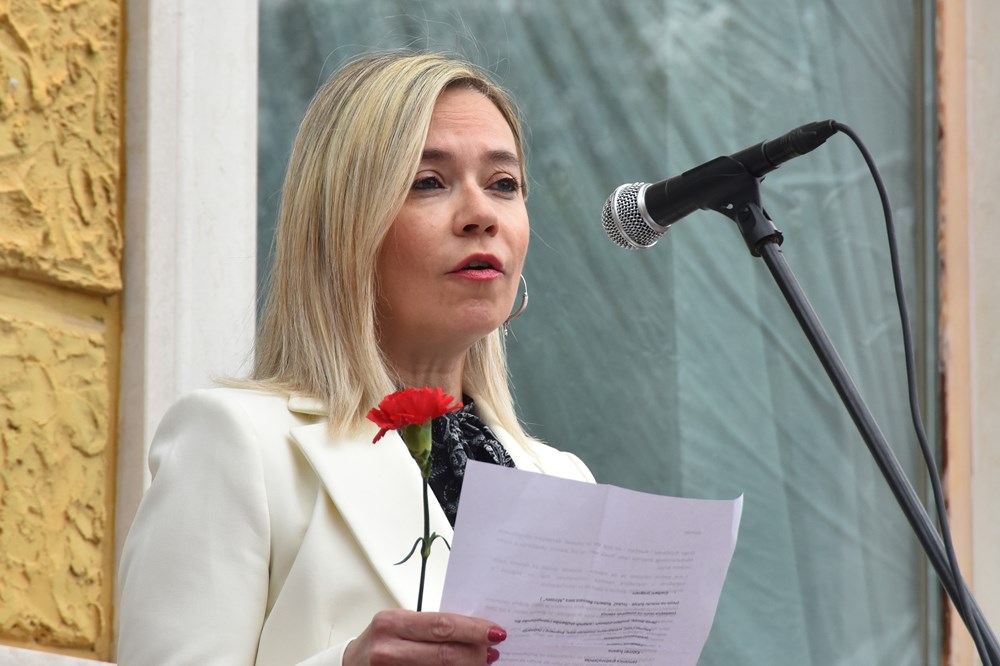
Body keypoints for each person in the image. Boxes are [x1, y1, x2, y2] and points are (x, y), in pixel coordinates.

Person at [116, 50, 595, 665]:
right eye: (428, 182)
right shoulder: (236, 441)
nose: (482, 215)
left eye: (504, 184)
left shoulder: (564, 482)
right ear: (343, 226)